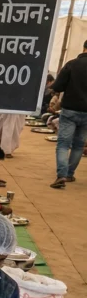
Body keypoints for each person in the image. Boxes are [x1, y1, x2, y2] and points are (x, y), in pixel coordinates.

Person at [52, 38, 87, 189]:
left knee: (63, 144)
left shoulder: (72, 64)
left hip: (70, 109)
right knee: (79, 145)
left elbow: (58, 86)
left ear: (84, 47)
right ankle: (70, 174)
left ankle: (62, 175)